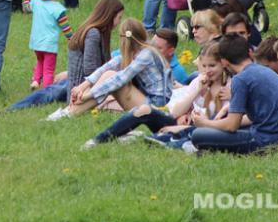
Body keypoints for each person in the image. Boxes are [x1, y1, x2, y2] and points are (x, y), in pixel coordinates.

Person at [84, 40, 229, 151]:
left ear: (223, 64)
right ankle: (100, 139)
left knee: (165, 135)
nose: (207, 70)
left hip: (196, 131)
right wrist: (196, 91)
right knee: (144, 110)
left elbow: (225, 123)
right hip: (179, 123)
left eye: (212, 66)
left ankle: (144, 137)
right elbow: (175, 112)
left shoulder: (229, 86)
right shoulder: (199, 81)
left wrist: (181, 129)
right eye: (204, 66)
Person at [7, 0, 123, 111]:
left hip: (79, 84)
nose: (119, 22)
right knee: (51, 92)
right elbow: (89, 69)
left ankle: (14, 108)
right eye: (119, 17)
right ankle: (12, 109)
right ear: (109, 15)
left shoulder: (101, 33)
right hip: (81, 88)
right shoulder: (93, 34)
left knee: (52, 91)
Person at [189, 34, 278, 153]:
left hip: (265, 139)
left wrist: (205, 123)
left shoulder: (240, 79)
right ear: (250, 52)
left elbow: (232, 125)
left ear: (224, 61)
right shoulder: (263, 70)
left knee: (198, 135)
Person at [47, 17, 173, 121]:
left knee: (112, 79)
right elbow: (108, 66)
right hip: (147, 100)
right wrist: (82, 86)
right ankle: (68, 112)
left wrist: (87, 96)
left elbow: (121, 79)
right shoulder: (140, 51)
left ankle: (68, 112)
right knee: (108, 73)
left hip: (157, 107)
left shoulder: (146, 54)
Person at [25, 0, 72, 89]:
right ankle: (47, 90)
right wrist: (72, 39)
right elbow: (65, 28)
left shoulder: (36, 2)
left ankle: (35, 81)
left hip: (36, 43)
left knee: (40, 61)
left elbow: (25, 7)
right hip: (49, 45)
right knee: (49, 70)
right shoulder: (57, 8)